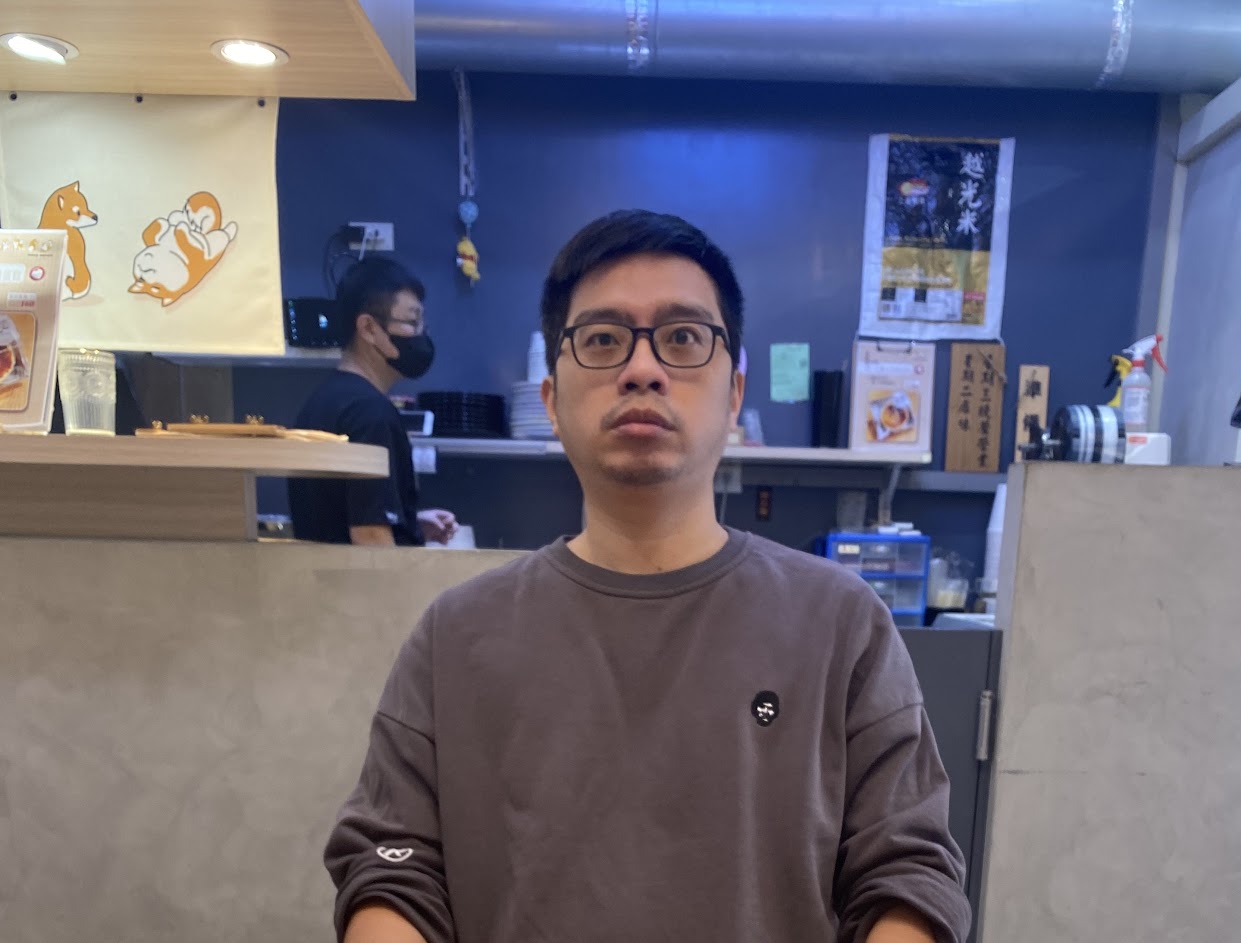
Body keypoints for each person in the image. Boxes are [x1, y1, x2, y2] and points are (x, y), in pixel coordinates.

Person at [324, 211, 970, 943]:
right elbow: (391, 865)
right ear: (551, 401)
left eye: (683, 337)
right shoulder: (456, 637)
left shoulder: (840, 625)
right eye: (602, 340)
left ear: (734, 394)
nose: (642, 368)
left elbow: (907, 869)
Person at [288, 258, 457, 547]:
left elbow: (338, 517)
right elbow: (370, 538)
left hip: (320, 574)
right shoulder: (370, 414)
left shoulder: (322, 402)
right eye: (412, 322)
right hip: (355, 578)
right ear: (368, 328)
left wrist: (410, 526)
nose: (421, 335)